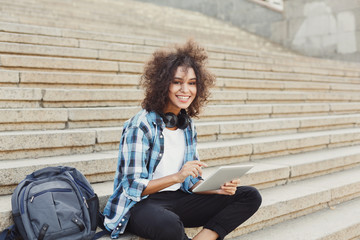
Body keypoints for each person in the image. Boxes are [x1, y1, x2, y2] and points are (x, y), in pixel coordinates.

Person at [103, 40, 262, 240]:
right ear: (163, 85)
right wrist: (176, 177)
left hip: (179, 198)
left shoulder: (186, 125)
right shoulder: (140, 125)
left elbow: (190, 181)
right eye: (177, 82)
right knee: (168, 224)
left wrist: (217, 188)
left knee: (249, 196)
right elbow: (132, 186)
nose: (185, 90)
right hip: (142, 204)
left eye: (192, 83)